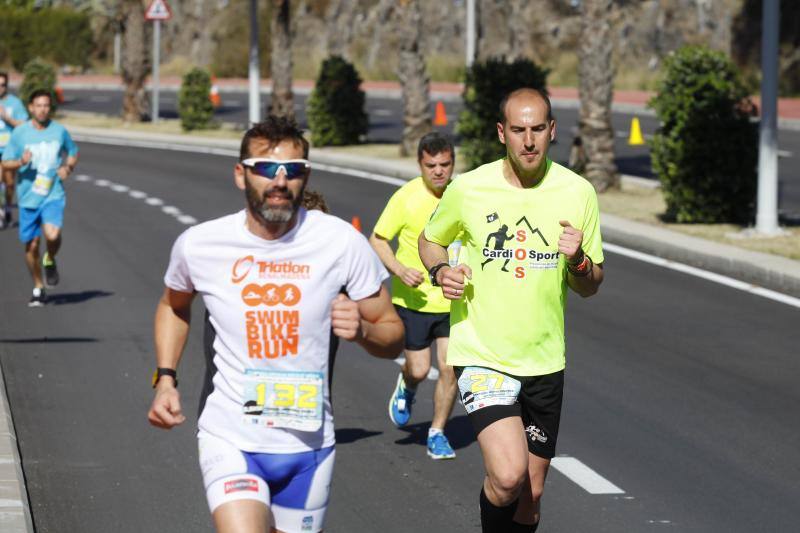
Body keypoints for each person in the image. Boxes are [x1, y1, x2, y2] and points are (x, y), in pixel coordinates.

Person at [147, 116, 404, 533]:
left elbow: (392, 334)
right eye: (266, 168)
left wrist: (363, 332)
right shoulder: (201, 244)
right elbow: (172, 306)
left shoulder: (341, 242)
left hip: (309, 447)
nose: (280, 181)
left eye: (293, 170)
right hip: (230, 436)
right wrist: (165, 379)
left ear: (306, 177)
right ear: (241, 174)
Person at [418, 88, 604, 532]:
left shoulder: (578, 192)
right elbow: (430, 239)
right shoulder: (469, 188)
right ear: (502, 133)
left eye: (537, 129)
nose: (529, 140)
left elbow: (591, 285)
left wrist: (578, 260)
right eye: (518, 130)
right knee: (507, 477)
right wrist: (441, 271)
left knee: (530, 497)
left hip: (544, 361)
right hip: (484, 355)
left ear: (552, 130)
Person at [369, 132, 460, 460]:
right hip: (414, 301)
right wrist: (399, 270)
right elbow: (378, 239)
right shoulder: (406, 197)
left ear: (453, 163)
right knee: (420, 369)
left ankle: (437, 432)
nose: (438, 171)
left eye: (444, 164)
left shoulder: (463, 196)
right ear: (420, 164)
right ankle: (408, 384)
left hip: (454, 301)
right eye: (431, 165)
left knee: (449, 368)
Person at [1, 89, 78, 307]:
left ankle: (50, 259)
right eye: (39, 106)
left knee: (52, 235)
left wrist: (68, 168)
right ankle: (38, 286)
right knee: (32, 245)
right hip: (28, 197)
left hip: (53, 193)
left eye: (46, 105)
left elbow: (73, 151)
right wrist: (20, 162)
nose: (43, 110)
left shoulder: (59, 131)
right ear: (31, 108)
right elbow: (5, 162)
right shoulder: (20, 133)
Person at [0, 72, 30, 229]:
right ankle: (0, 211)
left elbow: (24, 124)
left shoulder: (15, 103)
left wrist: (7, 118)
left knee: (10, 183)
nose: (0, 88)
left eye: (2, 85)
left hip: (10, 150)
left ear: (7, 86)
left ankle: (7, 208)